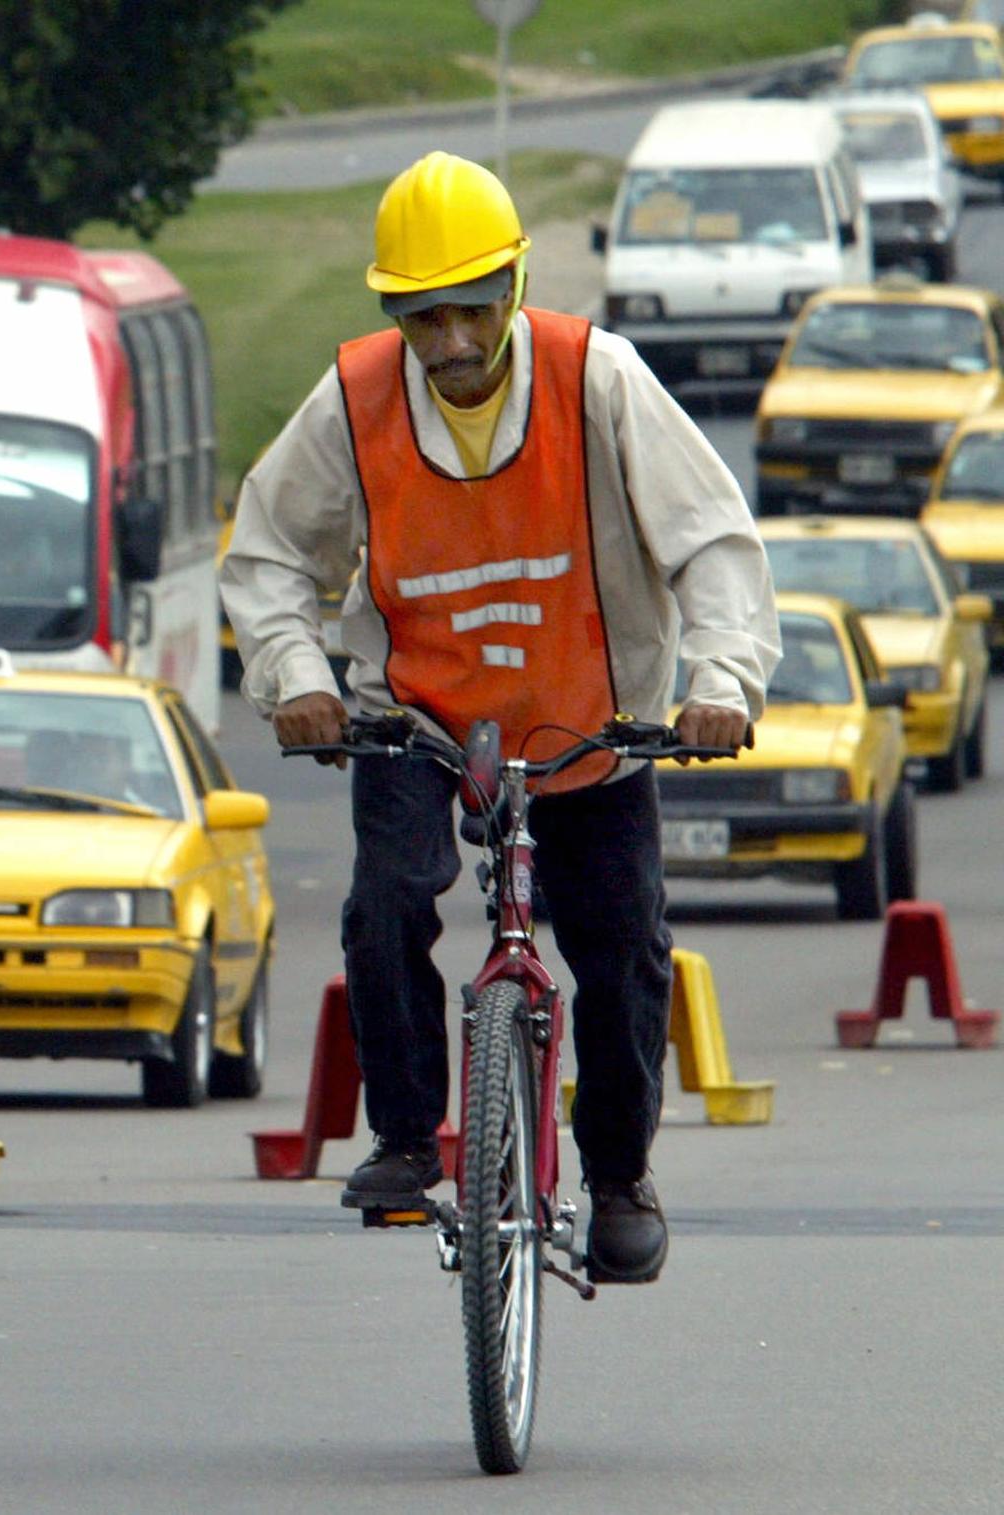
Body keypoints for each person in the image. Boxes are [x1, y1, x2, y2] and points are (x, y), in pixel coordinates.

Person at [218, 151, 780, 1285]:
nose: (452, 346)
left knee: (620, 954)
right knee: (383, 906)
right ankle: (399, 1137)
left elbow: (711, 544)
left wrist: (719, 685)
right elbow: (270, 552)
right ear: (393, 313)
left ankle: (616, 1175)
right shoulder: (354, 397)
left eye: (472, 313)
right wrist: (294, 678)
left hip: (590, 724)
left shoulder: (597, 379)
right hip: (416, 722)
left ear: (514, 288)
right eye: (423, 321)